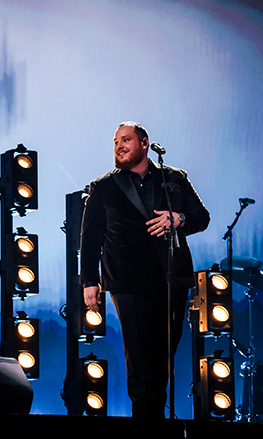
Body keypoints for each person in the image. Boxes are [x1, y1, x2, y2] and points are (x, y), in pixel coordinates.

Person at [79, 121, 210, 418]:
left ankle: (153, 414)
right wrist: (89, 281)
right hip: (127, 280)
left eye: (125, 140)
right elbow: (90, 239)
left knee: (163, 356)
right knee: (139, 358)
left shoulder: (173, 178)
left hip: (172, 277)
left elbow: (201, 217)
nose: (119, 146)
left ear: (145, 143)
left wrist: (178, 218)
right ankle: (145, 419)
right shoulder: (103, 187)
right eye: (115, 142)